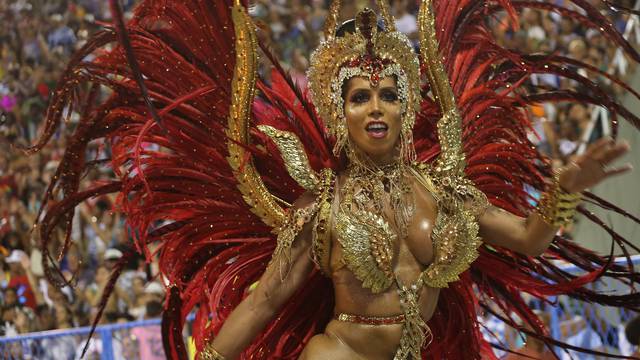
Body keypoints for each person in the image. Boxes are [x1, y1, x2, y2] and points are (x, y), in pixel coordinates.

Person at [27, 0, 640, 359]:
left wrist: (568, 189)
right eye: (360, 96)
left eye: (388, 95)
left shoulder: (447, 190)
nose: (376, 107)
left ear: (407, 107)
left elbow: (530, 239)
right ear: (339, 113)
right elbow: (266, 298)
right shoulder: (320, 207)